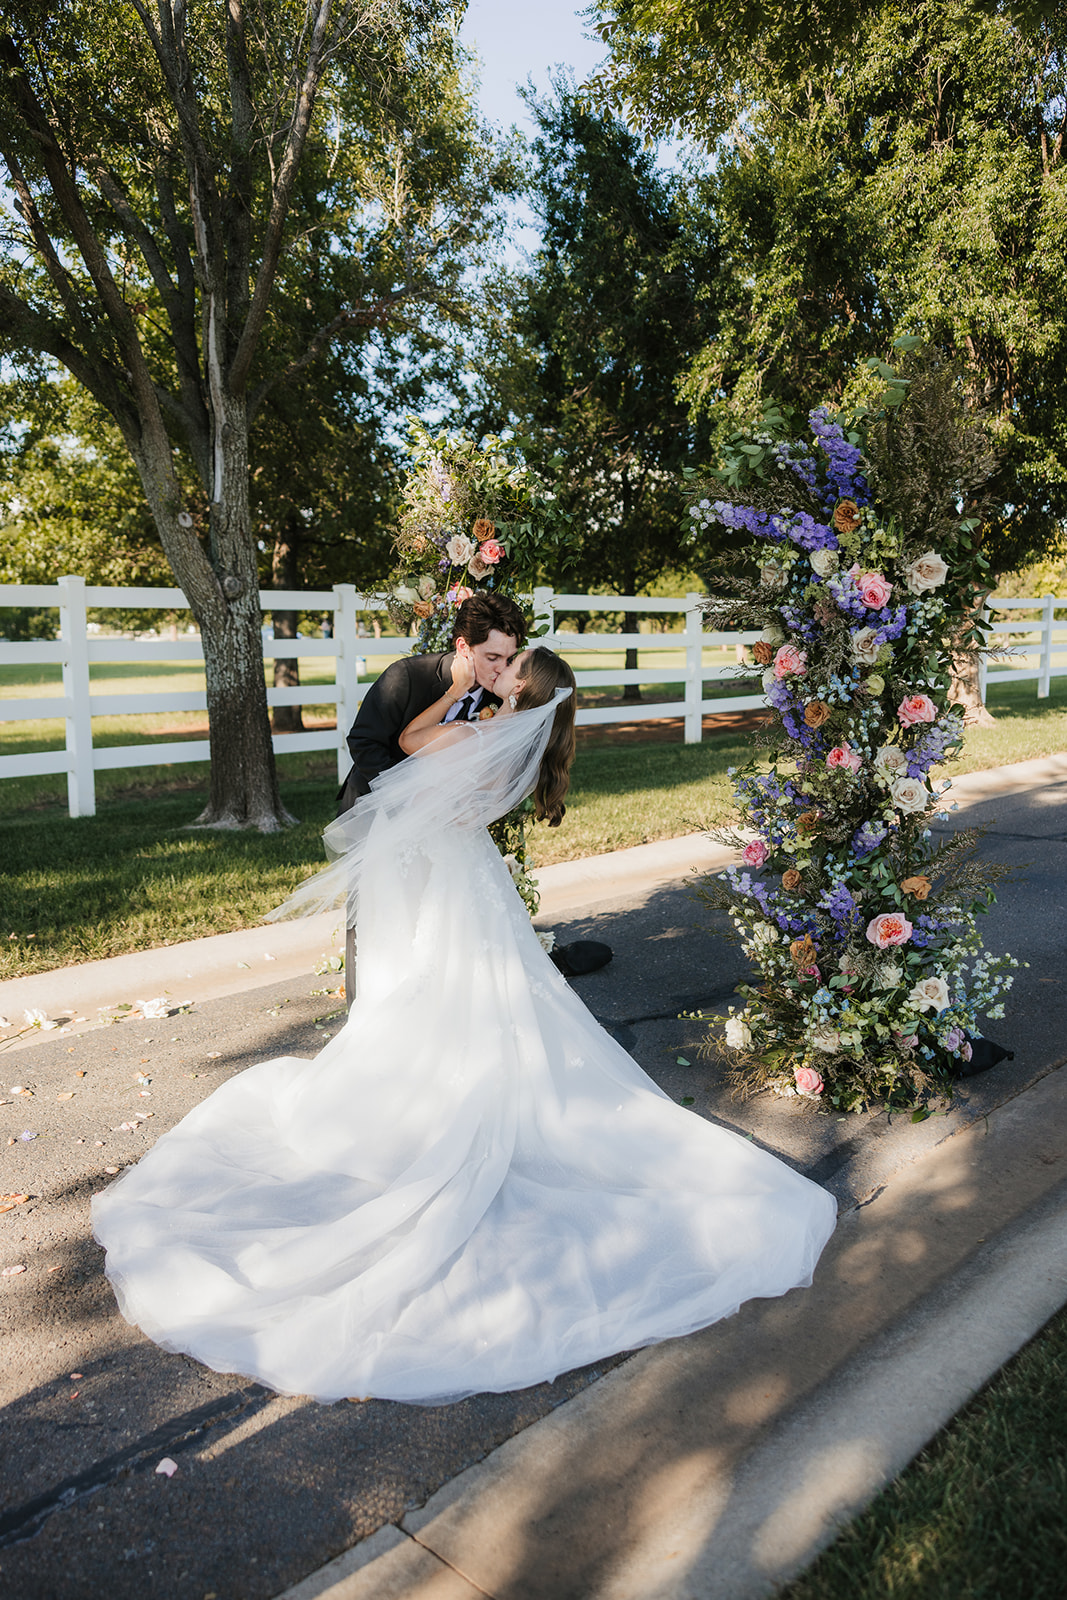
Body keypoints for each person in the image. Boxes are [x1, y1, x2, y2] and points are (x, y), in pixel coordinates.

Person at [91, 645, 836, 1406]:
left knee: (424, 987)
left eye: (511, 668)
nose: (499, 671)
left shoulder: (480, 729)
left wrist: (452, 689)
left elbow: (410, 744)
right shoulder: (522, 741)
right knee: (477, 990)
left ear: (523, 686)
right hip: (464, 873)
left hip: (436, 873)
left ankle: (419, 1099)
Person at [337, 590, 609, 982]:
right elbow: (364, 742)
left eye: (508, 659)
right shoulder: (407, 676)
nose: (499, 669)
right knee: (375, 923)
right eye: (492, 658)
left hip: (445, 834)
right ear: (464, 648)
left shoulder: (498, 709)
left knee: (440, 934)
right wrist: (411, 806)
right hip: (381, 812)